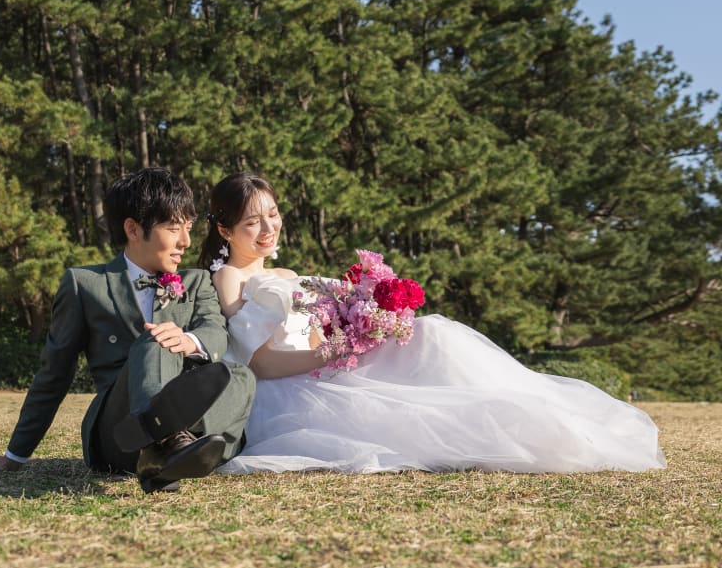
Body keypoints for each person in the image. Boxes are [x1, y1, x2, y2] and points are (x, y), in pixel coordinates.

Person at [198, 172, 666, 474]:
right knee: (419, 381)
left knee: (432, 332)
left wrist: (361, 329)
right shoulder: (229, 277)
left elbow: (310, 333)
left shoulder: (287, 274)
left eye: (273, 215)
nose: (268, 229)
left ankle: (535, 417)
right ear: (224, 230)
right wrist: (330, 355)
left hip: (322, 364)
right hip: (290, 386)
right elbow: (258, 363)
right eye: (252, 222)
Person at [0, 167, 256, 492]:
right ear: (133, 229)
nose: (186, 241)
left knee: (241, 375)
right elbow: (54, 374)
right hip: (118, 433)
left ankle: (174, 450)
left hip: (190, 426)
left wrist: (188, 340)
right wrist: (15, 456)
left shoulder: (197, 281)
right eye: (173, 228)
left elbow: (215, 332)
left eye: (189, 228)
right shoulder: (85, 284)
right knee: (156, 338)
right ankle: (160, 441)